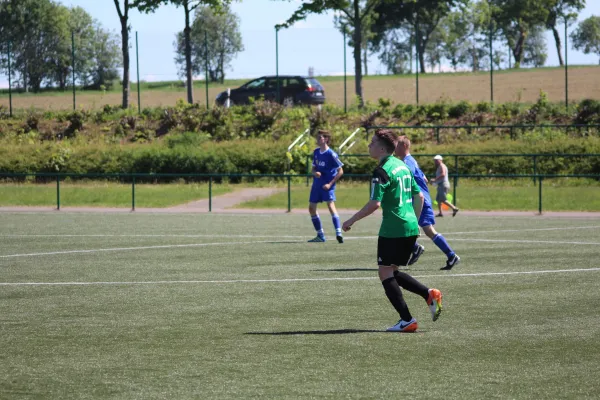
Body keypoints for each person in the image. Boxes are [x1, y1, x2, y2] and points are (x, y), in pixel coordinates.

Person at [342, 129, 443, 332]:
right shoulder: (402, 166)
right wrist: (413, 221)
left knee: (384, 272)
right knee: (391, 271)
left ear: (381, 148)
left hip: (393, 228)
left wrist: (351, 220)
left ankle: (407, 320)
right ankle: (428, 294)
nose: (369, 145)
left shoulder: (382, 171)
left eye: (372, 142)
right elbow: (420, 196)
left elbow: (374, 204)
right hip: (410, 226)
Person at [395, 136, 461, 270]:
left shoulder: (407, 162)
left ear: (403, 146)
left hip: (419, 200)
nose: (394, 148)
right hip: (422, 199)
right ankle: (451, 255)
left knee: (399, 226)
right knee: (428, 230)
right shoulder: (410, 161)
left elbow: (407, 176)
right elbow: (424, 178)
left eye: (396, 146)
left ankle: (415, 248)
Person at [308, 130, 345, 243]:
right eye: (317, 137)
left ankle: (338, 233)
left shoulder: (331, 154)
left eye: (320, 138)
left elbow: (340, 171)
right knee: (311, 208)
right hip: (317, 185)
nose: (318, 140)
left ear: (326, 139)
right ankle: (320, 235)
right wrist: (315, 173)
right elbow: (313, 168)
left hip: (327, 185)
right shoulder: (316, 152)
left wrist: (330, 184)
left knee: (330, 206)